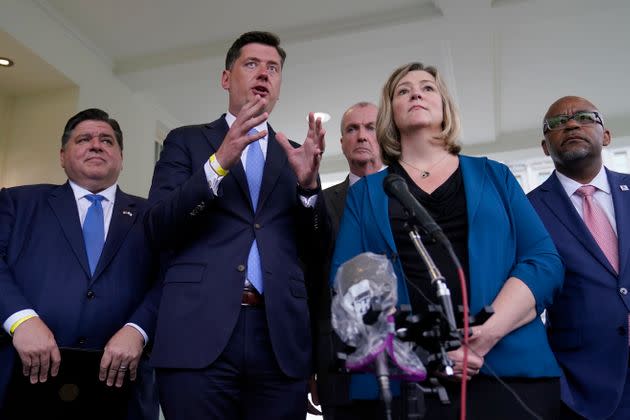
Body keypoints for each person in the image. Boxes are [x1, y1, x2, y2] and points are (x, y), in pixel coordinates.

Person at [330, 62, 564, 420]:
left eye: (427, 87)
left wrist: (485, 336)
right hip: (404, 383)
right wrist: (426, 353)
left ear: (444, 106)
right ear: (391, 112)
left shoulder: (495, 175)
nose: (416, 94)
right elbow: (349, 284)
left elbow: (543, 261)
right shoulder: (365, 196)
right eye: (403, 91)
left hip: (510, 372)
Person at [145, 31, 327, 419]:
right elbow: (158, 226)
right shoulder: (187, 141)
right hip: (198, 331)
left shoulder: (295, 154)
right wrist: (219, 162)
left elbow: (317, 252)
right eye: (252, 64)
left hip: (280, 337)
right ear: (226, 78)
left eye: (273, 68)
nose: (264, 73)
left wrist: (309, 188)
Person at [0, 108, 159, 420]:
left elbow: (170, 278)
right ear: (62, 156)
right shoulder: (17, 203)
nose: (96, 145)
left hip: (120, 388)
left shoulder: (152, 215)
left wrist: (138, 329)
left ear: (121, 157)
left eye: (107, 140)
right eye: (84, 139)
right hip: (22, 380)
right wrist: (20, 319)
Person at [528, 96, 630, 420]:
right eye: (556, 123)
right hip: (582, 389)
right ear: (545, 147)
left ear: (607, 135)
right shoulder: (526, 209)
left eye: (584, 117)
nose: (571, 124)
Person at [312, 101, 385, 418]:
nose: (361, 136)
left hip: (408, 363)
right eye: (352, 129)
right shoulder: (318, 203)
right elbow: (310, 286)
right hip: (338, 365)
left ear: (385, 135)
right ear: (341, 142)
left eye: (370, 127)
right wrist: (308, 367)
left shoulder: (411, 196)